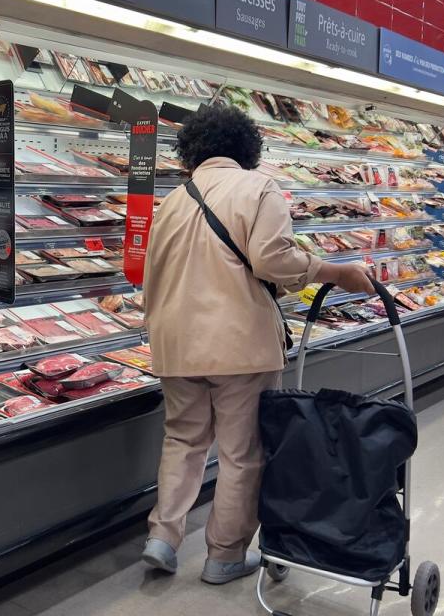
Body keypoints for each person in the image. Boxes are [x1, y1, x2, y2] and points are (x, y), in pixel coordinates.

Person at [139, 105, 374, 584]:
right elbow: (273, 259)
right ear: (247, 147)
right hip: (239, 344)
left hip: (175, 344)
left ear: (193, 150)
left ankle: (162, 538)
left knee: (182, 440)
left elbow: (152, 277)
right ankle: (223, 556)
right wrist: (335, 272)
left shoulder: (173, 201)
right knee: (240, 453)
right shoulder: (257, 186)